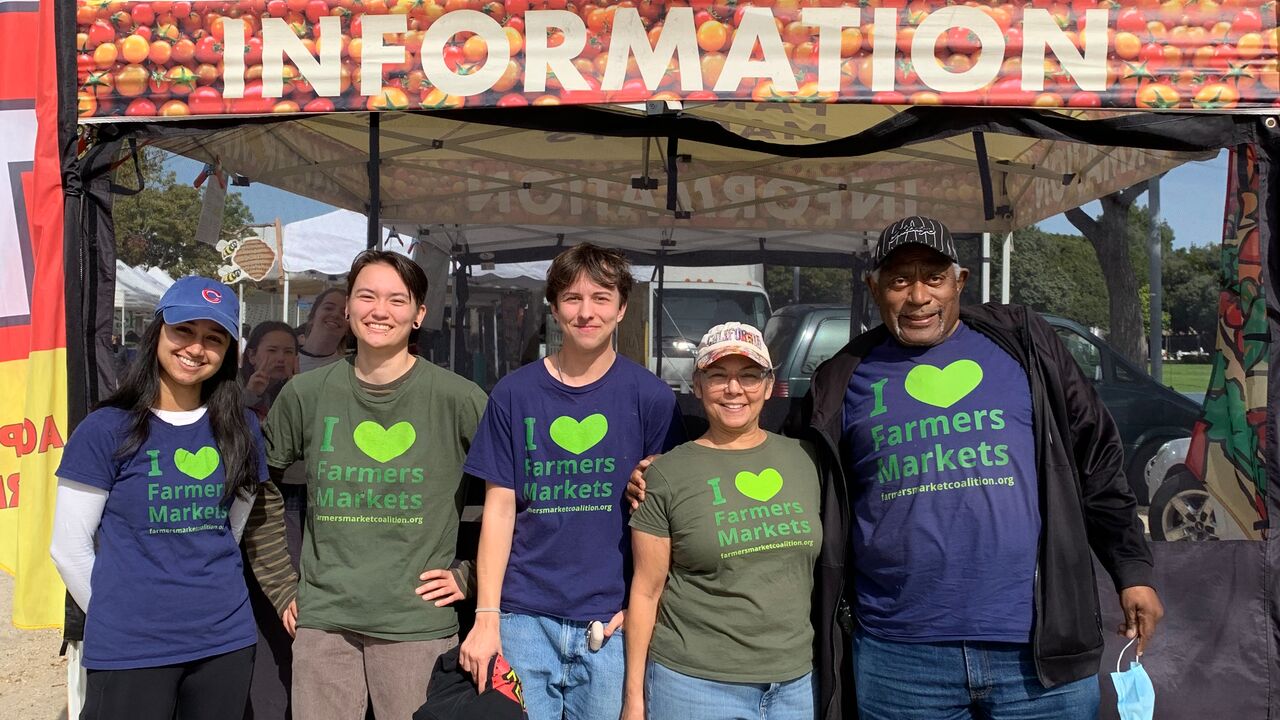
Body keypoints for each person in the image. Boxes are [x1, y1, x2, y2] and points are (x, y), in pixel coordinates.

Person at [804, 216, 1164, 718]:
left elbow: (1097, 458)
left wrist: (1131, 570)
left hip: (1038, 654)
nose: (918, 297)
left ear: (960, 282)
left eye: (933, 278)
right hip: (899, 656)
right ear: (874, 288)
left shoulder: (1026, 346)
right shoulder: (841, 379)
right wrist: (667, 472)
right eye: (899, 280)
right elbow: (791, 478)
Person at [256, 250, 488, 719]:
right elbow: (259, 490)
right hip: (325, 624)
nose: (380, 311)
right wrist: (281, 585)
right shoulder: (305, 394)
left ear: (419, 313)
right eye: (367, 296)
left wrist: (471, 574)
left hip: (416, 624)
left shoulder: (459, 399)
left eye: (397, 300)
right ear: (347, 308)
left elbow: (514, 502)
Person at [459, 243, 684, 720]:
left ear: (622, 308)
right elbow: (499, 509)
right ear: (554, 307)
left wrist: (648, 610)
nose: (586, 313)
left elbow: (673, 519)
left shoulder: (653, 399)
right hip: (523, 619)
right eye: (572, 298)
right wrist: (487, 616)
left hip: (614, 622)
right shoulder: (512, 395)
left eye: (601, 298)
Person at [50, 277, 270, 720]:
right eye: (184, 329)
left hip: (223, 642)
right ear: (157, 333)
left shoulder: (242, 428)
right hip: (131, 648)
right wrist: (122, 615)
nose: (196, 348)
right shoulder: (106, 428)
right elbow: (68, 547)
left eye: (214, 338)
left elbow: (232, 529)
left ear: (228, 352)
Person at [624, 323, 822, 720]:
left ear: (769, 386)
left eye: (749, 376)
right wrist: (634, 700)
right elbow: (646, 592)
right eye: (718, 376)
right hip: (694, 686)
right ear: (697, 386)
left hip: (795, 686)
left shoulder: (808, 459)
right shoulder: (665, 474)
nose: (734, 389)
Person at [241, 320, 300, 420]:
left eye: (288, 352)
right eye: (272, 350)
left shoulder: (297, 388)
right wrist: (250, 395)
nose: (281, 358)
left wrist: (296, 396)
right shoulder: (229, 385)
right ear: (251, 355)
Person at [296, 287, 348, 371]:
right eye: (328, 308)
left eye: (344, 313)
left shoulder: (346, 370)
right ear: (313, 316)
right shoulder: (287, 360)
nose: (335, 315)